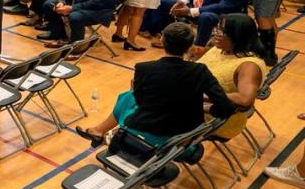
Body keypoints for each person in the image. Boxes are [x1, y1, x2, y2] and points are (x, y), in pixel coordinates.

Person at [75, 22, 236, 148]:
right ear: (190, 46)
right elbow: (226, 108)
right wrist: (205, 108)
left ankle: (108, 133)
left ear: (162, 40)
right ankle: (102, 131)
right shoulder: (200, 70)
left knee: (129, 97)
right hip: (185, 137)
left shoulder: (144, 68)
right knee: (128, 96)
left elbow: (141, 103)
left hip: (149, 134)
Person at [198, 14, 267, 141]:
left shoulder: (249, 66)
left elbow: (245, 99)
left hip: (215, 118)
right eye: (216, 28)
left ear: (237, 35)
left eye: (222, 31)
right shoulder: (220, 49)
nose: (215, 33)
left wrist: (202, 96)